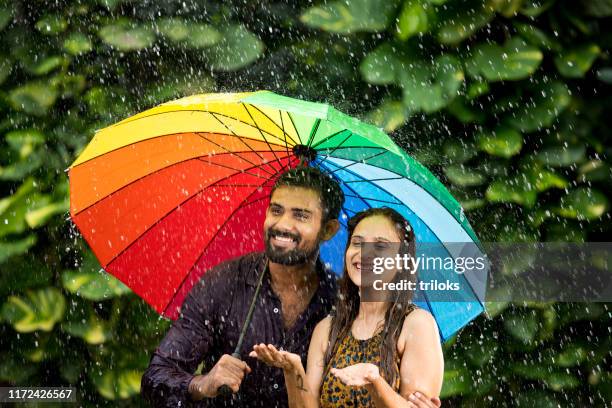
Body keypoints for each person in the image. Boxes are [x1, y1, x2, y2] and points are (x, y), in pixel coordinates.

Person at [141, 167, 344, 407]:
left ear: (328, 230)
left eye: (300, 216)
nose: (283, 225)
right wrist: (202, 384)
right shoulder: (223, 283)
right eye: (276, 210)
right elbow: (156, 377)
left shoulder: (340, 300)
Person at [250, 207, 444, 408]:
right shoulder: (326, 329)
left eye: (380, 245)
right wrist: (293, 370)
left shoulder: (416, 324)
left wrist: (374, 382)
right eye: (357, 243)